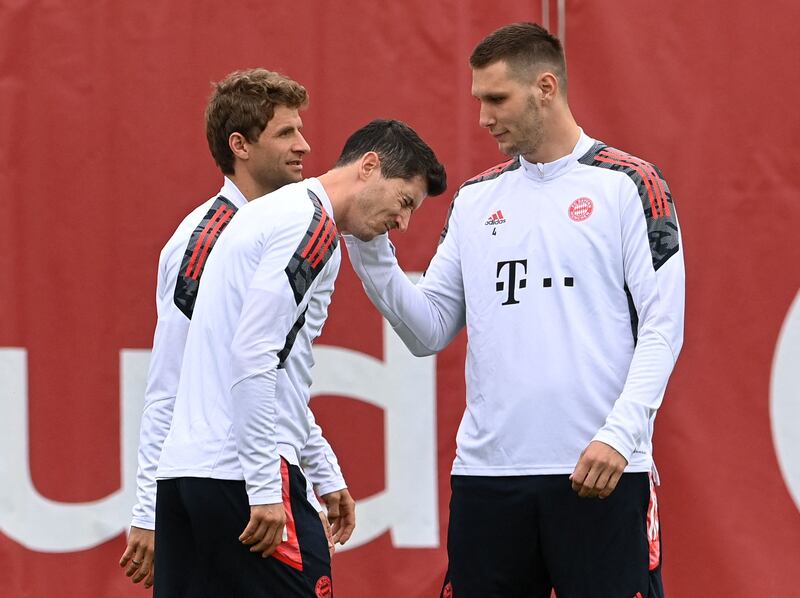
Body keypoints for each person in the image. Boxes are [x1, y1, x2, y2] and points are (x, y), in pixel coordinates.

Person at [344, 22, 684, 598]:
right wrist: (369, 246)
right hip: (489, 476)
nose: (483, 117)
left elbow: (662, 326)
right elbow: (428, 329)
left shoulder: (629, 184)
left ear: (545, 88)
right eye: (478, 100)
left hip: (599, 470)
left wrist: (621, 437)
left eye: (496, 98)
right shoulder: (476, 200)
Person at [154, 118, 447, 597]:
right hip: (241, 476)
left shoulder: (262, 215)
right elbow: (254, 356)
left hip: (185, 475)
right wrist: (265, 487)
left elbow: (275, 370)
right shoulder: (312, 226)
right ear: (369, 166)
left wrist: (323, 468)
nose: (404, 221)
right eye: (405, 201)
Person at [118, 69, 355, 590]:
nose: (305, 146)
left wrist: (322, 466)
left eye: (301, 130)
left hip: (238, 472)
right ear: (239, 145)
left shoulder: (280, 224)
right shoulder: (203, 242)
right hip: (231, 479)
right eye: (286, 133)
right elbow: (172, 382)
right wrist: (149, 509)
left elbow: (276, 379)